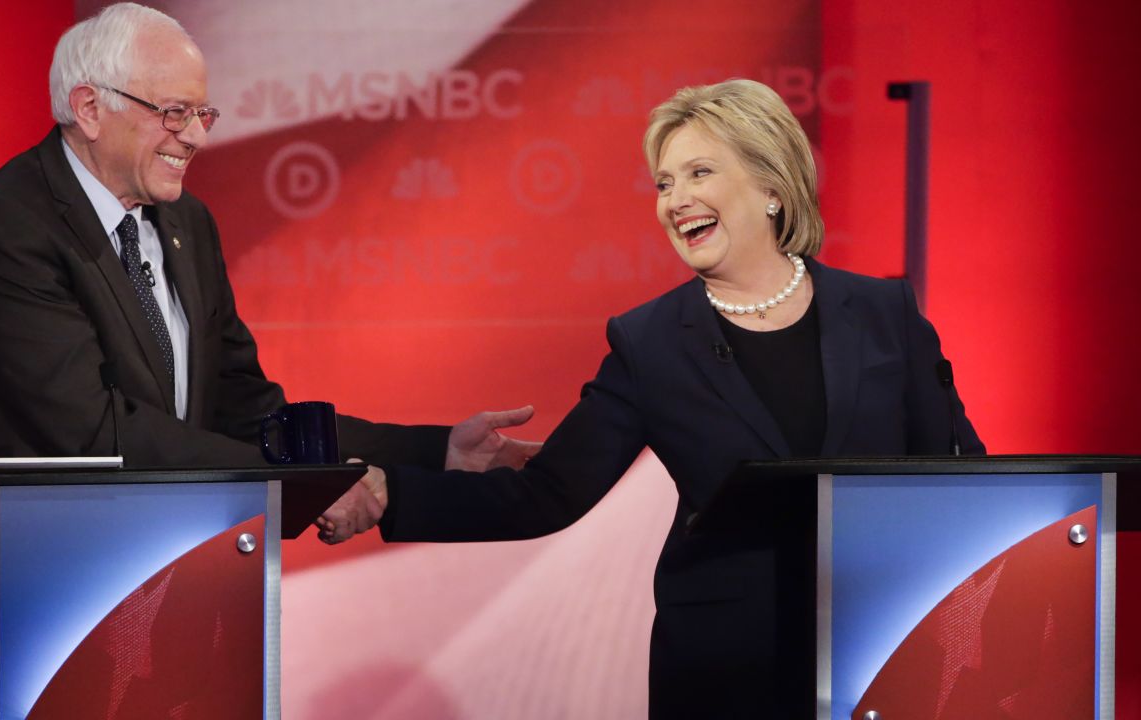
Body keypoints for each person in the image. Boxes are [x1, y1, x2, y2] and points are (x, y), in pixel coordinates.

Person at [0, 4, 538, 718]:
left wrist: (431, 449)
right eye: (173, 112)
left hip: (170, 600)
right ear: (89, 107)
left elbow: (249, 411)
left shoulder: (185, 223)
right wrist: (294, 488)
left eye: (203, 113)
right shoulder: (8, 222)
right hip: (28, 604)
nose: (194, 136)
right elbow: (92, 432)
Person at [331, 79, 985, 717]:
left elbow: (954, 481)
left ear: (772, 189)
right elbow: (546, 495)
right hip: (724, 672)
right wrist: (393, 493)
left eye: (700, 173)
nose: (676, 200)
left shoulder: (882, 312)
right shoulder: (651, 343)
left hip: (881, 652)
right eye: (664, 183)